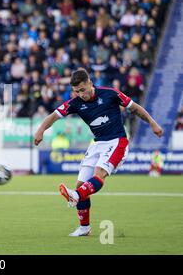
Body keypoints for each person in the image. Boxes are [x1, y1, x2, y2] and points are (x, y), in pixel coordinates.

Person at [34, 68, 163, 236]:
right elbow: (54, 116)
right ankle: (84, 227)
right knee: (81, 185)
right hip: (97, 144)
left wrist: (153, 123)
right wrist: (41, 130)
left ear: (90, 83)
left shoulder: (110, 94)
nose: (80, 94)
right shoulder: (75, 103)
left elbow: (135, 108)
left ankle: (75, 196)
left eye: (82, 89)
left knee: (99, 174)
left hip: (117, 141)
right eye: (76, 91)